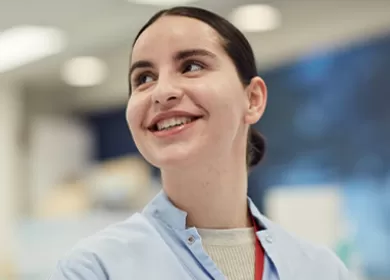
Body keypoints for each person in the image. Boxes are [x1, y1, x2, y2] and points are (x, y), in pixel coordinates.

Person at [50, 6, 351, 280]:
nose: (161, 91)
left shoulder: (321, 270)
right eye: (143, 78)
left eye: (191, 66)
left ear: (253, 99)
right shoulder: (94, 269)